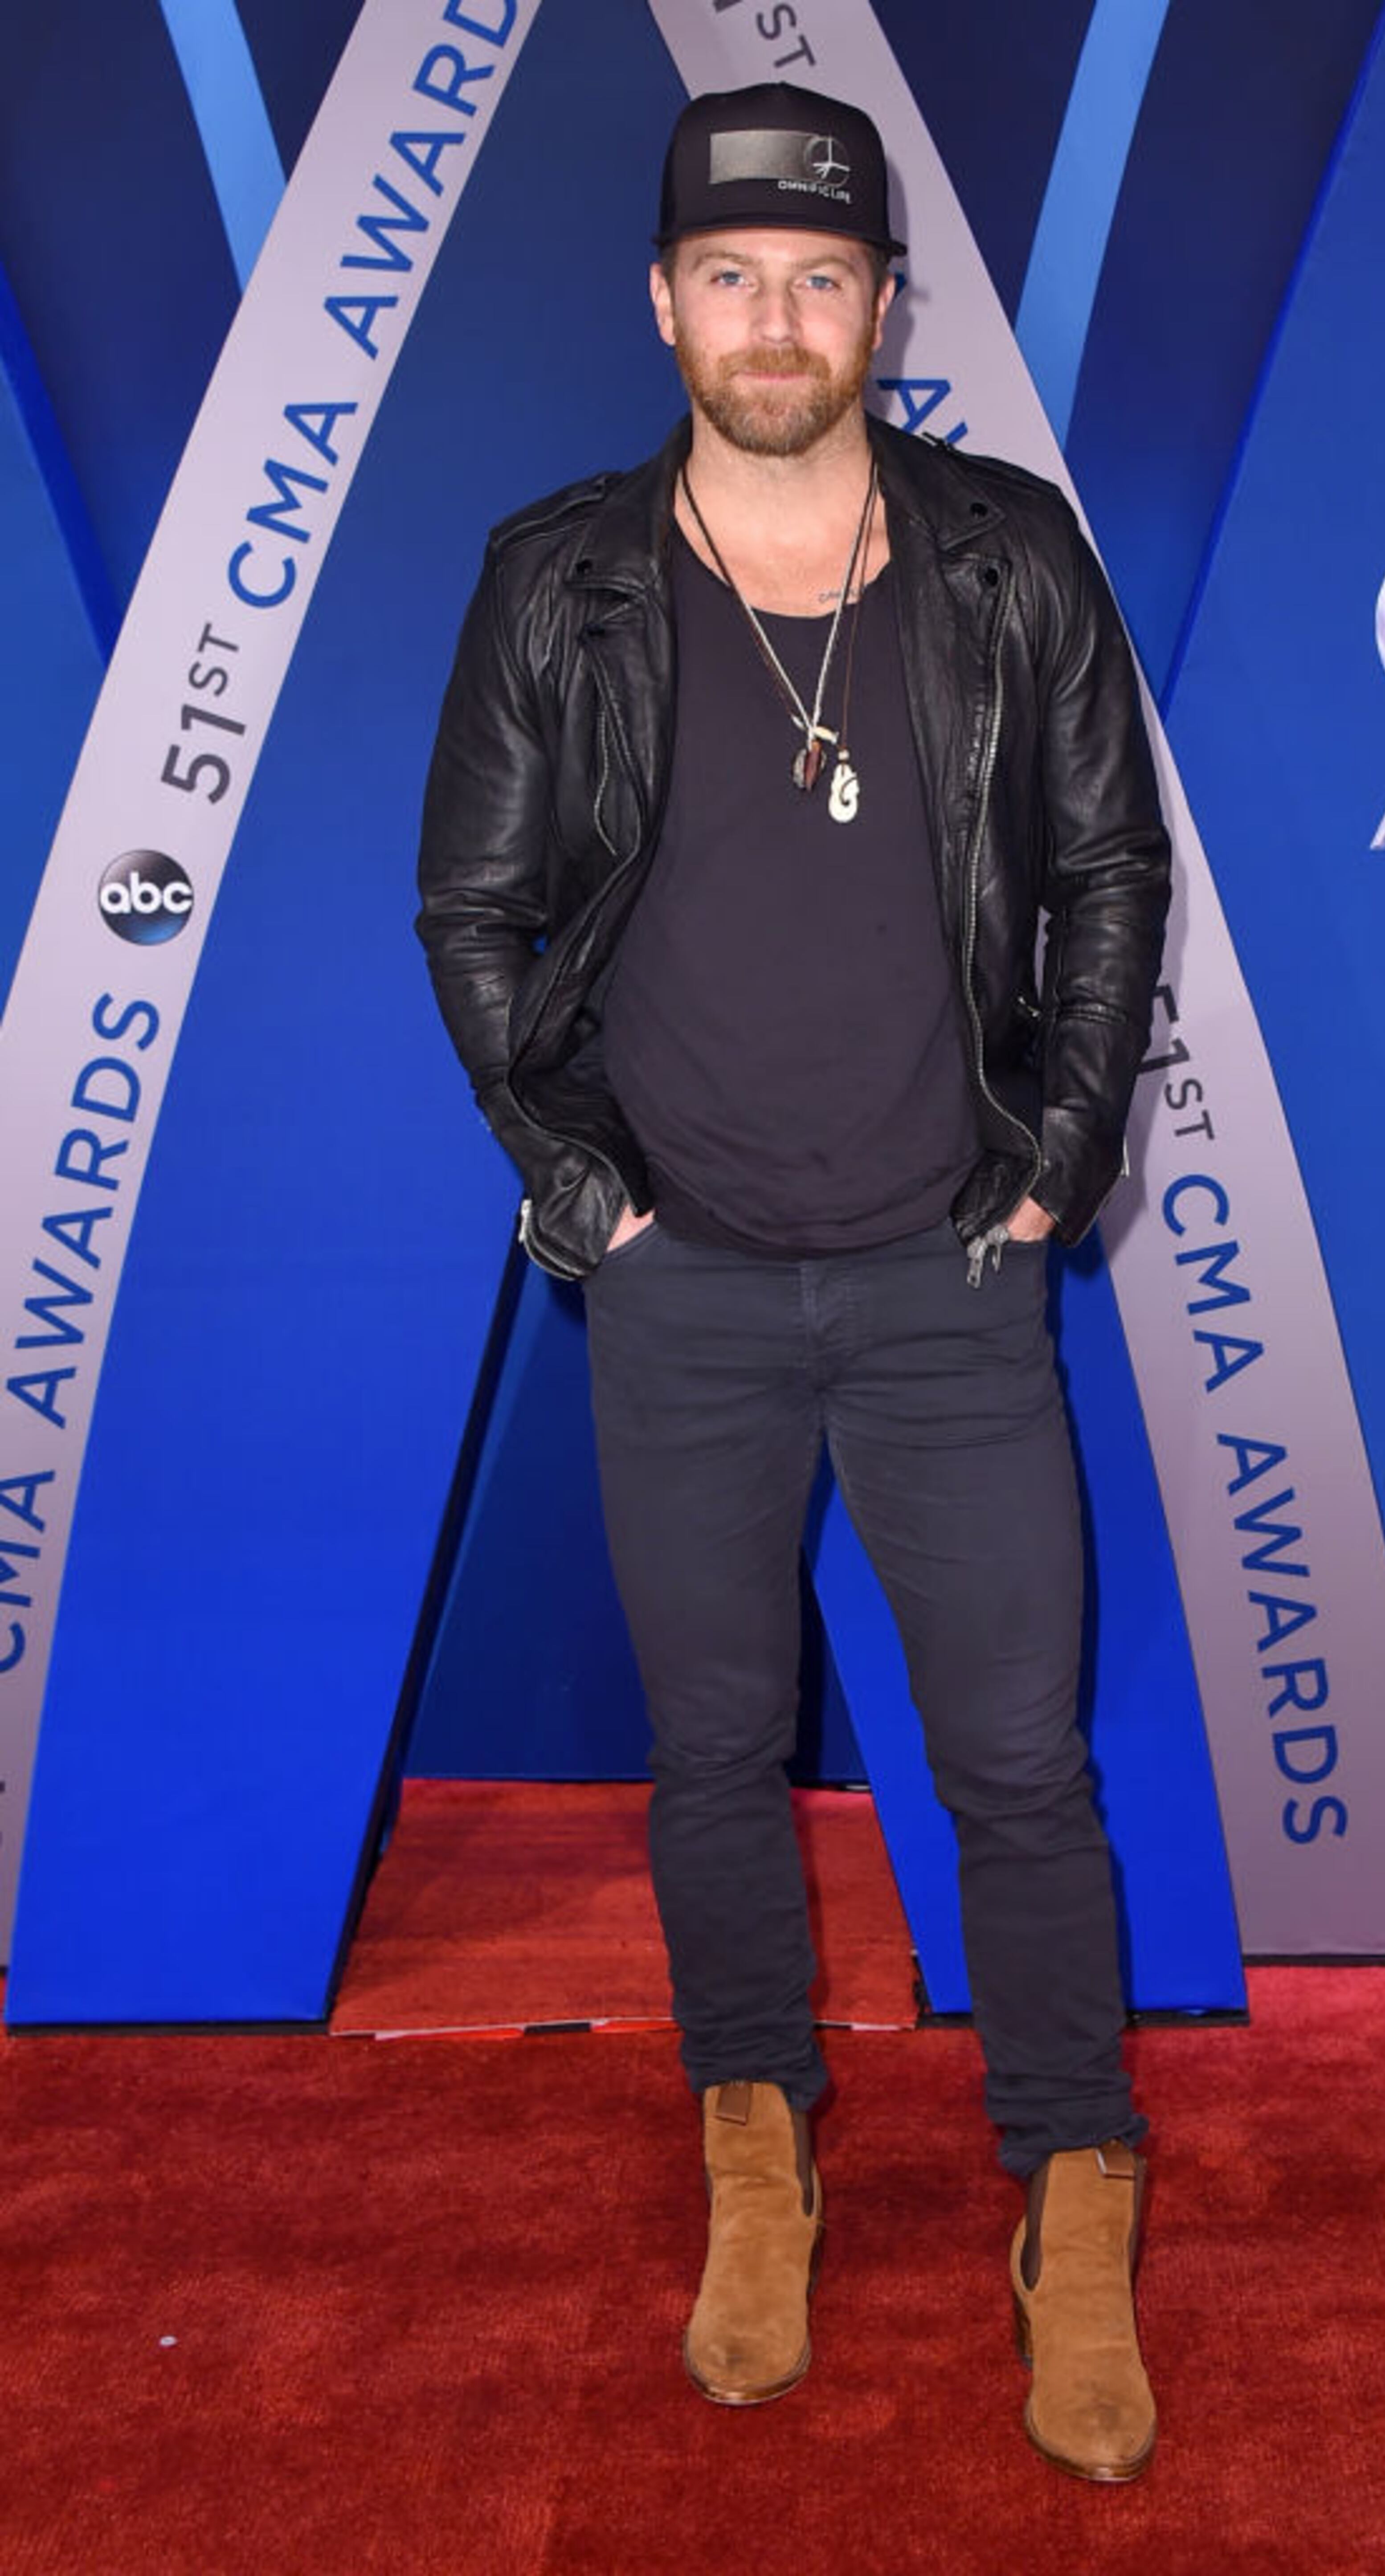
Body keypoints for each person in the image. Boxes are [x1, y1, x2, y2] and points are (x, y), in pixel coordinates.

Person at [416, 80, 1171, 2482]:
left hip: (960, 1272)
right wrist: (583, 1184)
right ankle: (763, 2147)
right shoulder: (565, 577)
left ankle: (1074, 2185)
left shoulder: (1008, 557)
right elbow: (472, 909)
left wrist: (1058, 1159)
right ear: (665, 305)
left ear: (880, 310)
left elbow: (1108, 872)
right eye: (729, 276)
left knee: (1022, 1772)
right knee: (715, 1757)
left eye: (817, 277)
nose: (773, 318)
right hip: (687, 1284)